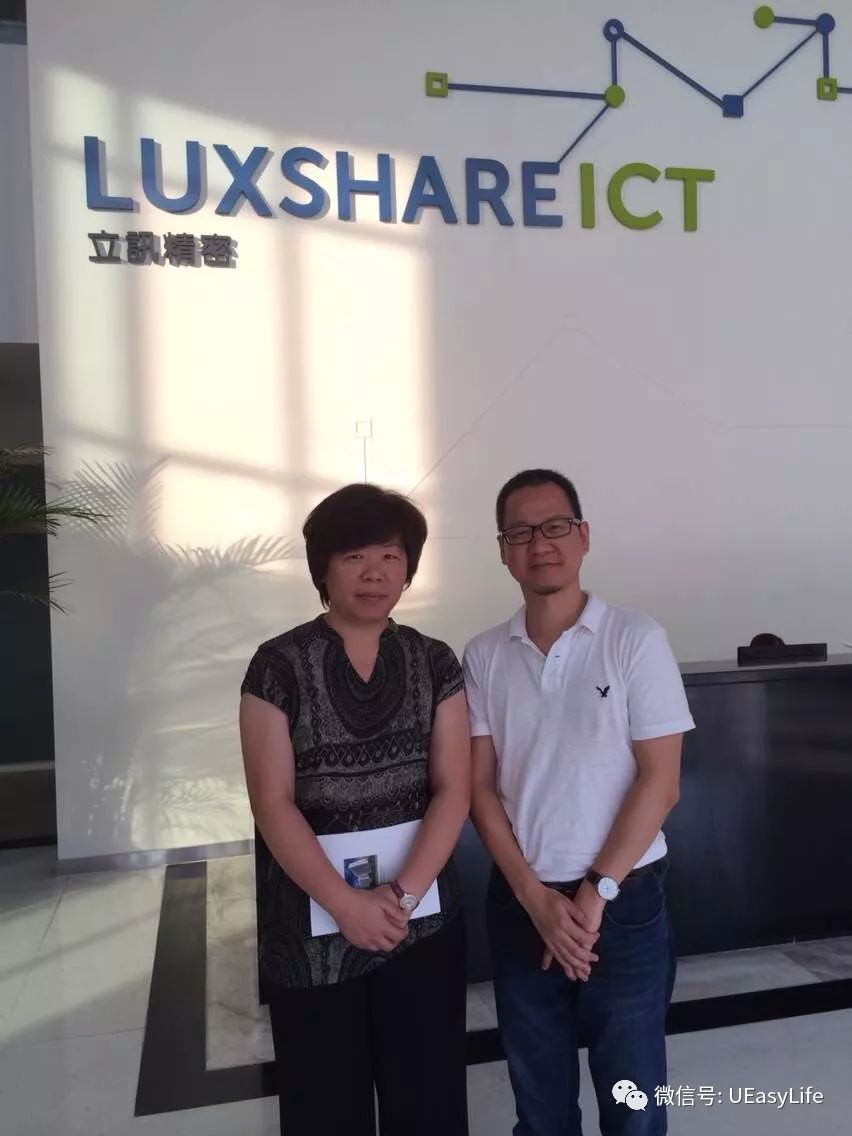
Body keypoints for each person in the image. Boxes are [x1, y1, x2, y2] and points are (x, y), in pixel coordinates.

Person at [463, 469, 695, 1136]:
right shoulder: (483, 655)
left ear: (583, 536)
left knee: (633, 1105)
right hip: (522, 905)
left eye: (556, 526)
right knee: (540, 1109)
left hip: (623, 907)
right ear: (503, 550)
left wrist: (594, 895)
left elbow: (661, 781)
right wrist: (536, 900)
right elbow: (479, 789)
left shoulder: (635, 638)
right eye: (521, 532)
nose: (540, 543)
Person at [239, 483, 471, 1136]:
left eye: (391, 556)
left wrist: (399, 898)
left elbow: (454, 788)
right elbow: (271, 802)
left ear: (409, 567)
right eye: (355, 556)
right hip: (310, 931)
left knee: (428, 1100)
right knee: (324, 1105)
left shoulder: (434, 661)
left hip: (421, 921)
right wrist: (345, 904)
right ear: (323, 567)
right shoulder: (278, 666)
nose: (375, 573)